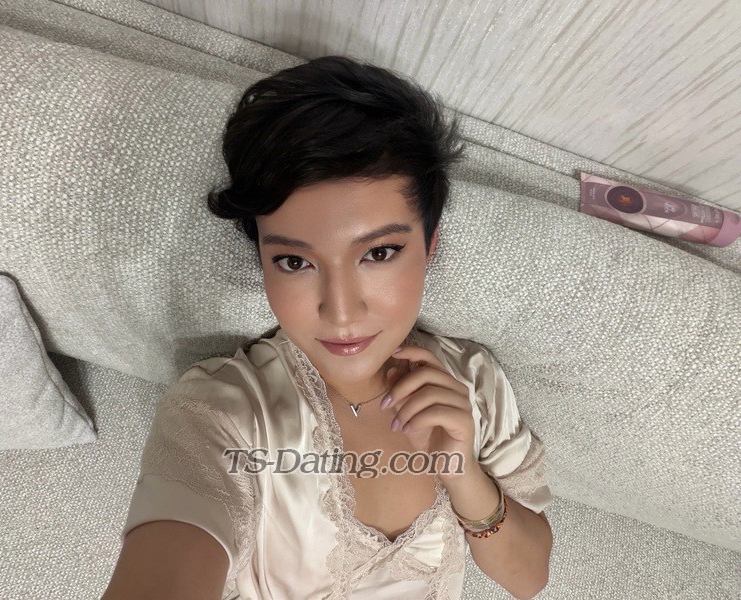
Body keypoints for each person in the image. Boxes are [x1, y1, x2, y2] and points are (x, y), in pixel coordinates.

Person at [103, 55, 553, 600]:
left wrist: (464, 475)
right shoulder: (223, 413)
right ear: (263, 262)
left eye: (379, 252)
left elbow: (528, 578)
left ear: (430, 248)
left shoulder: (473, 383)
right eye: (295, 261)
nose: (340, 312)